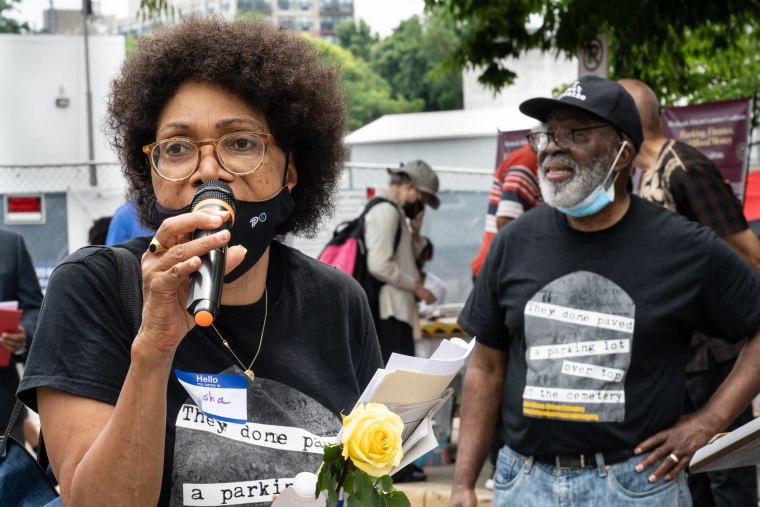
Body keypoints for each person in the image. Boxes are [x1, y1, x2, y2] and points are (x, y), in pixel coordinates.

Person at [18, 17, 382, 507]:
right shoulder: (94, 287)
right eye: (177, 148)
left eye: (240, 143)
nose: (207, 170)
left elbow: (363, 487)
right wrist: (153, 346)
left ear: (290, 170)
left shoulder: (338, 302)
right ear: (150, 171)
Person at [449, 75, 760, 507]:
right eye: (549, 133)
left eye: (576, 132)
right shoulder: (514, 243)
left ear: (622, 153)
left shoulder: (684, 247)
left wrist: (711, 420)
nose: (554, 146)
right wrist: (463, 483)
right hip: (523, 484)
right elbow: (486, 367)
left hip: (636, 486)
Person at [620, 78, 760, 507]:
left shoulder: (684, 167)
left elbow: (749, 252)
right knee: (690, 472)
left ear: (626, 122)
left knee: (726, 475)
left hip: (716, 356)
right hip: (681, 357)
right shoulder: (648, 173)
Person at [470, 138, 542, 279]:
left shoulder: (528, 159)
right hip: (501, 271)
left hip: (500, 268)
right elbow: (505, 221)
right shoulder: (526, 161)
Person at [0, 228, 43, 446]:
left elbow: (35, 308)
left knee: (8, 478)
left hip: (3, 400)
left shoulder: (10, 245)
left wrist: (23, 332)